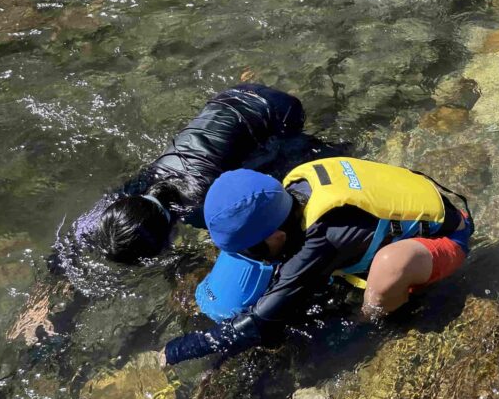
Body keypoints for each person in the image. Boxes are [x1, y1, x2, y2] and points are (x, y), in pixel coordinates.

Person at [160, 157, 474, 365]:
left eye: (250, 250)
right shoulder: (289, 190)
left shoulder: (320, 241)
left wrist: (175, 352)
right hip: (414, 200)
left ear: (276, 237)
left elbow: (258, 324)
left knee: (391, 264)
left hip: (448, 239)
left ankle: (370, 320)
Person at [69, 84, 305, 265]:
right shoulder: (144, 182)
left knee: (279, 165)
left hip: (281, 112)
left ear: (166, 241)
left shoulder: (202, 207)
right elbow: (80, 231)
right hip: (233, 94)